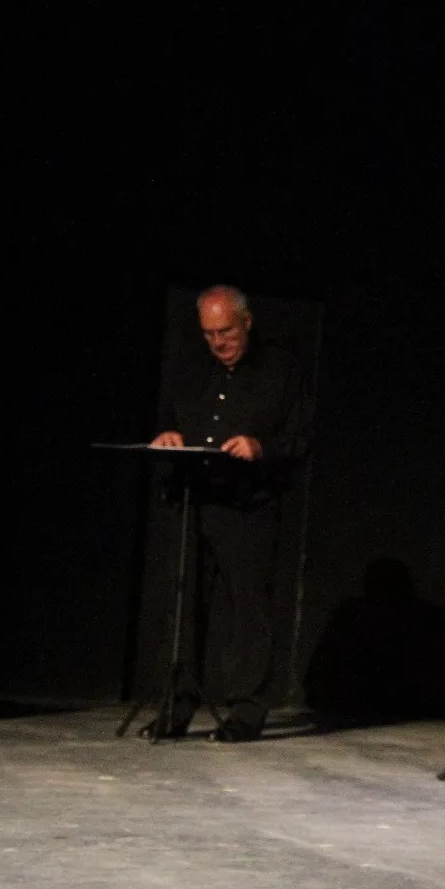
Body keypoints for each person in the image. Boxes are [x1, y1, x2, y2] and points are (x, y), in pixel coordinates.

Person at [152, 285, 315, 742]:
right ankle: (175, 707)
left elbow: (300, 440)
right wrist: (167, 434)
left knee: (249, 610)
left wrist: (261, 447)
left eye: (225, 332)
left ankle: (246, 711)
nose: (217, 342)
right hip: (194, 500)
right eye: (209, 334)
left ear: (246, 323)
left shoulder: (281, 369)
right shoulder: (190, 367)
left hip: (249, 505)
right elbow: (170, 418)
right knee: (185, 606)